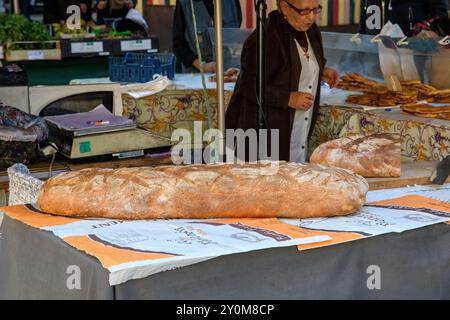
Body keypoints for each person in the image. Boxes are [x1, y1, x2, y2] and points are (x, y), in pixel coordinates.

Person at [225, 0, 339, 163]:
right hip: (262, 135)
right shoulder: (265, 37)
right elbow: (248, 86)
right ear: (285, 7)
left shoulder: (311, 31)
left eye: (316, 9)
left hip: (297, 129)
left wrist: (320, 70)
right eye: (305, 11)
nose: (311, 17)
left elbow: (300, 64)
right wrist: (288, 98)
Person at [172, 0, 242, 73]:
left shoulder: (232, 2)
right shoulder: (184, 3)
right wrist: (203, 66)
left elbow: (236, 28)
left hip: (227, 72)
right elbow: (178, 46)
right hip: (195, 76)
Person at [359, 0, 448, 37]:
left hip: (414, 56)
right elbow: (363, 25)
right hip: (371, 59)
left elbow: (440, 15)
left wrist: (419, 32)